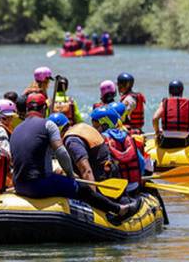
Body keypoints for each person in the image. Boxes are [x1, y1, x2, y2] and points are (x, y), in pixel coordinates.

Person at [10, 93, 141, 224]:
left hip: (19, 185)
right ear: (44, 108)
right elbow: (61, 153)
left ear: (26, 108)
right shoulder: (48, 125)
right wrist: (70, 175)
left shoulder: (16, 129)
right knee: (83, 188)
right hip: (39, 185)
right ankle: (119, 210)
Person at [51, 112, 117, 184]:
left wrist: (91, 191)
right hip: (110, 170)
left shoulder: (71, 141)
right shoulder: (82, 126)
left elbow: (86, 171)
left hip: (101, 179)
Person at [91, 107, 143, 193]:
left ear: (105, 125)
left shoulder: (101, 139)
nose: (93, 129)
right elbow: (141, 163)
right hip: (134, 186)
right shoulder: (128, 137)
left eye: (95, 126)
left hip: (116, 189)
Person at [152, 80, 189, 148]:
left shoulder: (164, 102)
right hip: (183, 142)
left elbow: (155, 118)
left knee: (157, 136)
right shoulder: (188, 103)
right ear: (182, 92)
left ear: (169, 92)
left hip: (165, 142)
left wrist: (157, 132)